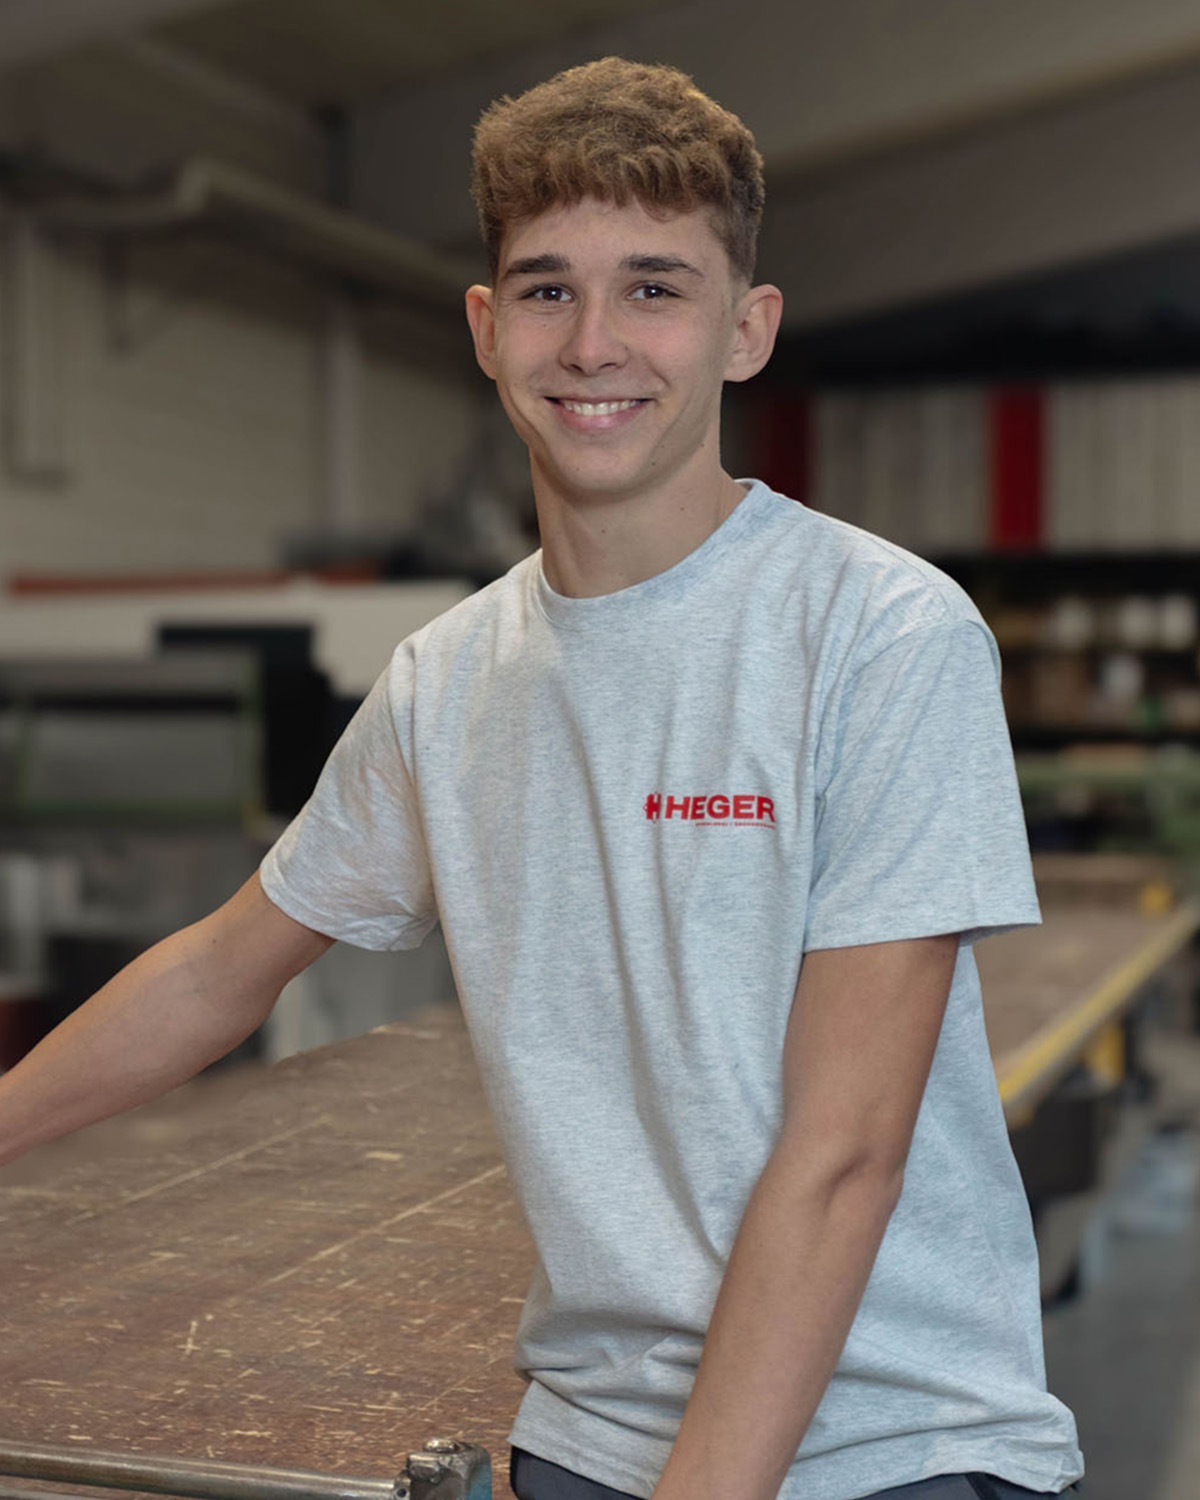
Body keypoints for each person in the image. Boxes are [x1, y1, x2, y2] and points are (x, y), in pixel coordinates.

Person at [0, 56, 1084, 1500]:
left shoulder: (877, 634)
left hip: (894, 1440)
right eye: (546, 288)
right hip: (590, 1432)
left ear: (745, 330)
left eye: (654, 286)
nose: (594, 344)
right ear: (486, 329)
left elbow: (847, 1155)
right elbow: (221, 970)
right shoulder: (447, 682)